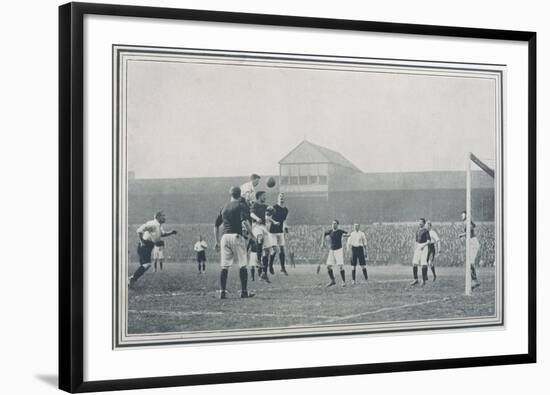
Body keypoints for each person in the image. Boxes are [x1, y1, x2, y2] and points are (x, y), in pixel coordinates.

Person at [214, 186, 255, 299]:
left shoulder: (224, 207)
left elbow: (216, 225)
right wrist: (252, 235)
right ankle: (244, 292)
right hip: (236, 236)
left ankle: (222, 291)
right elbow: (245, 222)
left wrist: (216, 241)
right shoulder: (240, 205)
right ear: (240, 194)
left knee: (225, 266)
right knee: (242, 264)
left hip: (224, 237)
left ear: (230, 194)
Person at [129, 211, 177, 288]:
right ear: (158, 217)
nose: (165, 218)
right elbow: (139, 230)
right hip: (144, 245)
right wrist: (142, 241)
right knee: (146, 265)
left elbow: (162, 234)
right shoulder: (153, 224)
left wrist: (171, 233)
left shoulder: (159, 225)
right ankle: (131, 279)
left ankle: (132, 279)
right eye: (163, 216)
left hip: (148, 246)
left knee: (145, 265)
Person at [250, 191, 274, 282]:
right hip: (256, 225)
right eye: (264, 196)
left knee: (268, 251)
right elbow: (251, 214)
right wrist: (257, 218)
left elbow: (270, 211)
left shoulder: (265, 206)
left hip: (263, 227)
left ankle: (264, 273)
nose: (265, 198)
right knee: (259, 238)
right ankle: (258, 261)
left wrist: (271, 209)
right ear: (259, 197)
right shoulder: (254, 205)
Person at [321, 220, 349, 287]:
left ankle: (343, 282)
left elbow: (347, 234)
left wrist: (345, 235)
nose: (334, 225)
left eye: (335, 223)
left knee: (341, 266)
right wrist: (322, 243)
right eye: (333, 223)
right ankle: (332, 281)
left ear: (337, 224)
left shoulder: (339, 231)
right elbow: (324, 234)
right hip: (332, 251)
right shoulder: (330, 231)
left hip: (339, 250)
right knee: (328, 266)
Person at [267, 193, 290, 275]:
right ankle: (270, 266)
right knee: (275, 250)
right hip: (272, 231)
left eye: (283, 197)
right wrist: (274, 222)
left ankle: (283, 268)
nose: (281, 198)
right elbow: (267, 217)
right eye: (280, 197)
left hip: (280, 232)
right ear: (277, 198)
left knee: (282, 250)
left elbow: (284, 220)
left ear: (285, 199)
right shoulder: (274, 207)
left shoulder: (285, 210)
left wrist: (285, 227)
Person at [459, 210, 481, 289]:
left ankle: (475, 281)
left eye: (463, 215)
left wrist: (462, 235)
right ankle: (474, 281)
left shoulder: (467, 221)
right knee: (469, 263)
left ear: (466, 215)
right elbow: (473, 226)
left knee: (470, 263)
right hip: (472, 242)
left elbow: (471, 228)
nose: (461, 216)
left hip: (473, 242)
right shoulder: (466, 222)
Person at [411, 218, 431, 287]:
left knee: (423, 264)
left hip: (424, 246)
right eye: (419, 222)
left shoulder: (426, 231)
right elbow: (416, 241)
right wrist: (415, 247)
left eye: (421, 222)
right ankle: (415, 279)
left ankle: (423, 280)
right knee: (414, 263)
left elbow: (429, 241)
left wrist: (424, 246)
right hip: (418, 246)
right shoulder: (417, 231)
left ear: (424, 223)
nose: (419, 223)